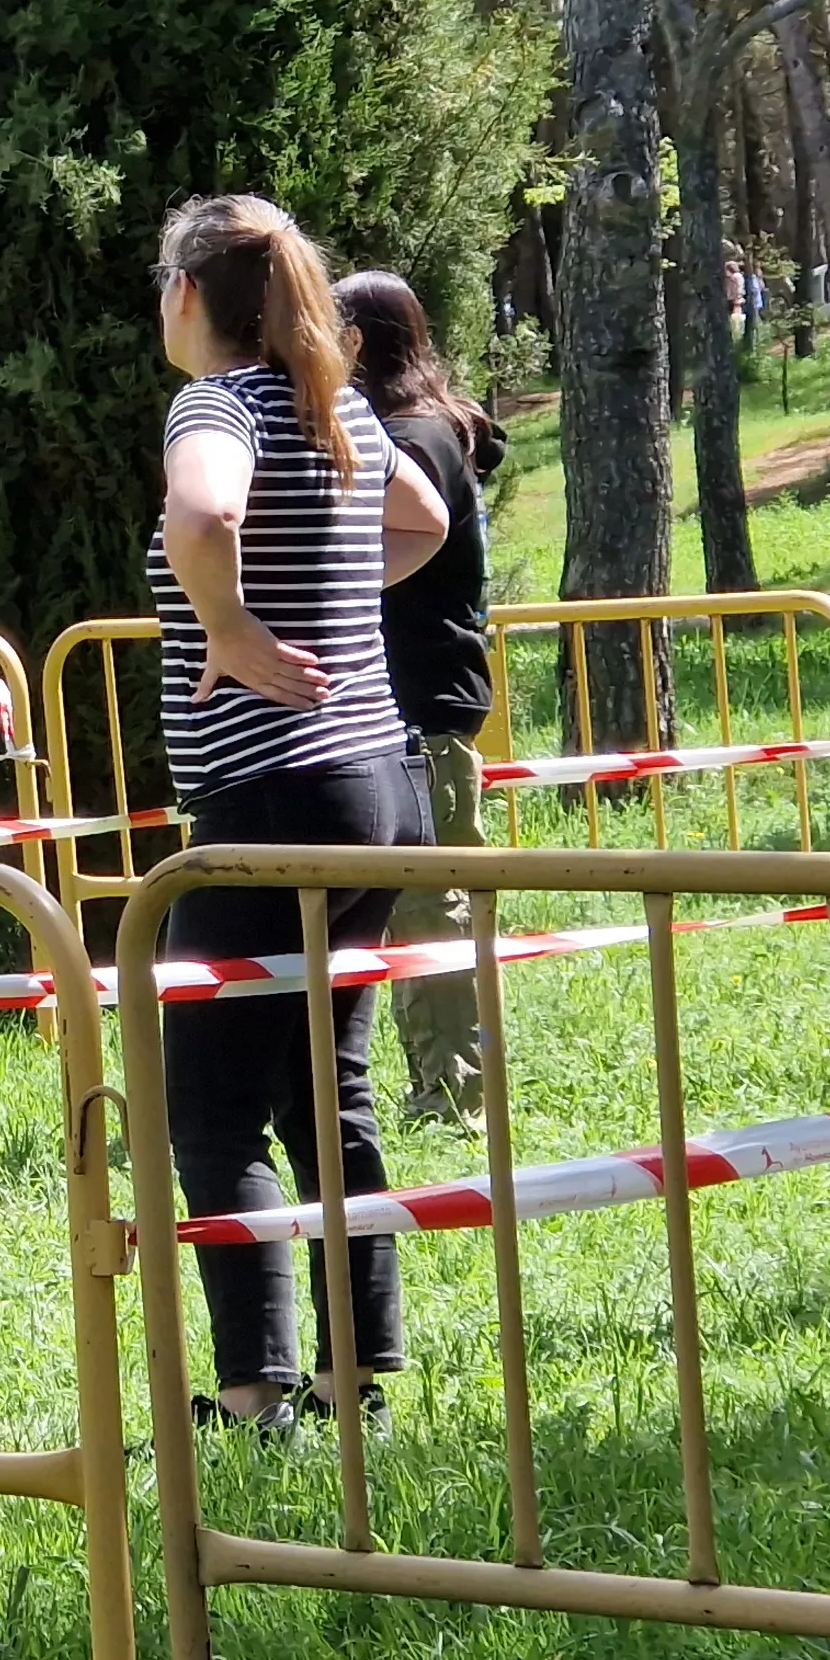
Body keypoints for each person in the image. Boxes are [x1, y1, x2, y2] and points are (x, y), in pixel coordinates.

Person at [147, 195, 452, 1435]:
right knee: (329, 1092)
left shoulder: (215, 405)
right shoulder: (338, 410)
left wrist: (231, 626)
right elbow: (425, 523)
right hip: (377, 786)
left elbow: (205, 510)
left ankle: (253, 1392)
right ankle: (355, 1375)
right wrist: (325, 602)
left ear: (186, 296)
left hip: (268, 796)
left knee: (212, 1108)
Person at [335, 270, 501, 1127]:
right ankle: (438, 1081)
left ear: (357, 342)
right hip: (421, 694)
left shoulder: (414, 441)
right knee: (414, 894)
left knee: (429, 896)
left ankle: (454, 1095)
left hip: (422, 698)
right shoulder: (435, 429)